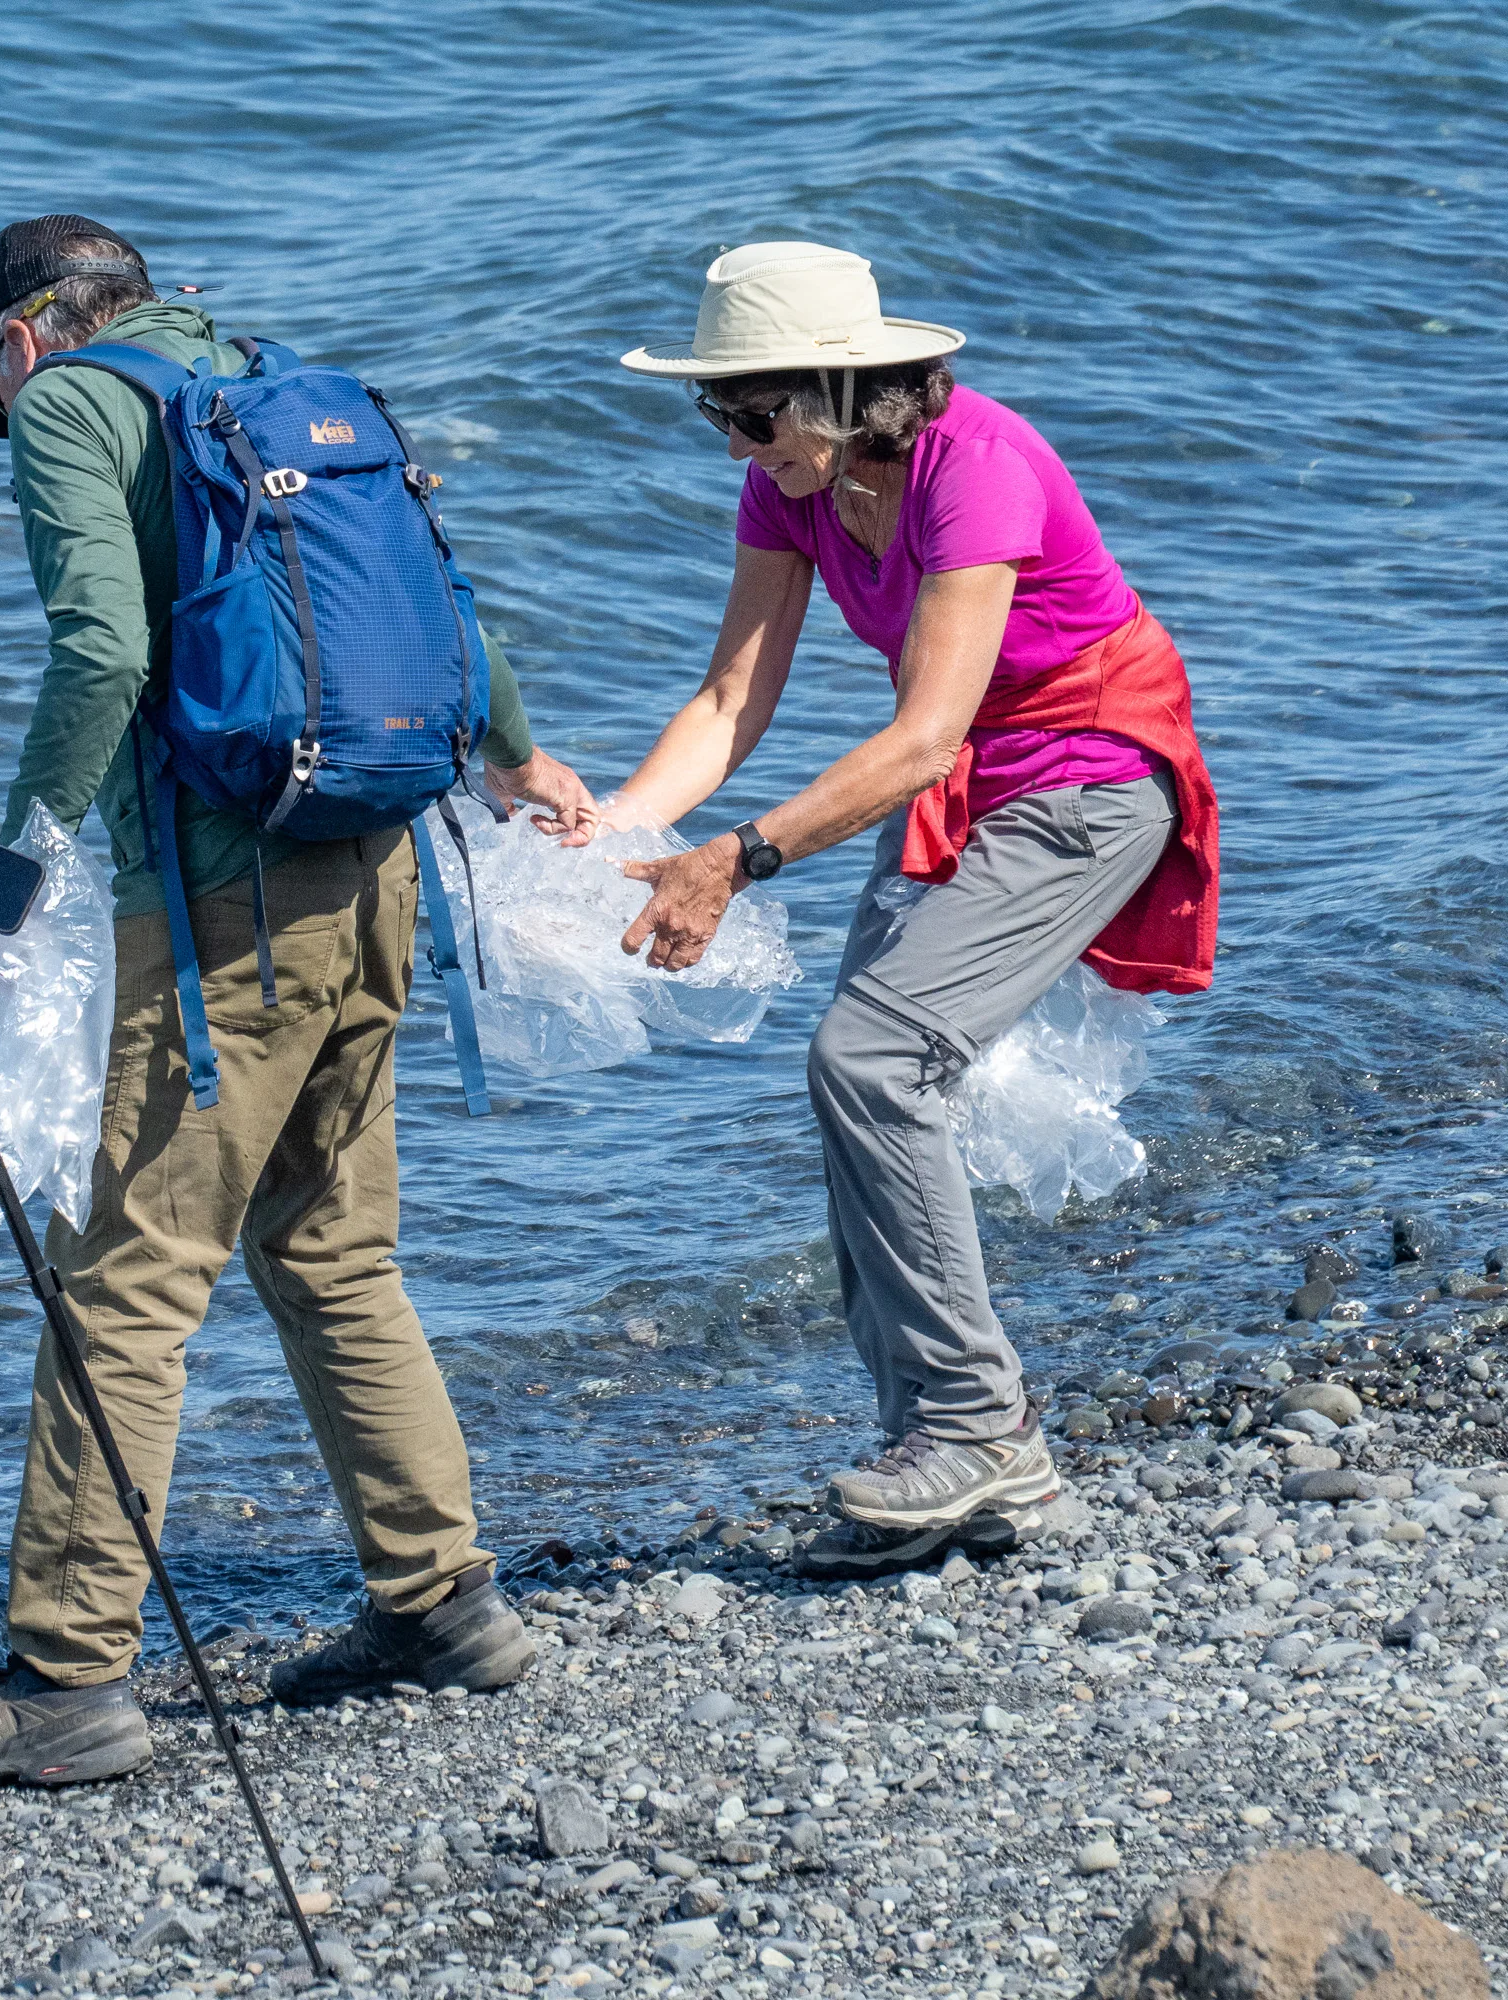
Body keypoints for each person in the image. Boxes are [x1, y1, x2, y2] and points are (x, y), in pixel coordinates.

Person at [0, 214, 596, 1787]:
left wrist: (12, 880)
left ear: (18, 341)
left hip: (225, 916)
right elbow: (444, 598)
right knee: (334, 1245)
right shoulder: (275, 385)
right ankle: (442, 1602)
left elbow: (99, 653)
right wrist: (523, 759)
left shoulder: (74, 406)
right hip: (384, 864)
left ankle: (64, 1679)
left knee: (126, 1275)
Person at [587, 241, 1219, 1575]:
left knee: (874, 1061)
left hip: (1091, 775)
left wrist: (737, 860)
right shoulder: (794, 483)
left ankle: (981, 1423)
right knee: (859, 1087)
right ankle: (929, 1455)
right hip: (970, 779)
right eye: (718, 413)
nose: (737, 442)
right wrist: (617, 835)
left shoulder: (974, 465)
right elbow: (726, 704)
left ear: (840, 384)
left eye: (754, 412)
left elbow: (927, 734)